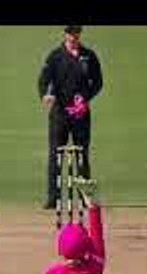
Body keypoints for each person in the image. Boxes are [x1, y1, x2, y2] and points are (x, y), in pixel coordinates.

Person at [37, 25, 104, 209]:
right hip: (59, 113)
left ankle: (85, 197)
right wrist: (45, 95)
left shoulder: (88, 56)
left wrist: (85, 99)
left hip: (81, 114)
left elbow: (98, 82)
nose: (73, 36)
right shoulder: (55, 56)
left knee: (82, 154)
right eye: (70, 33)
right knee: (55, 154)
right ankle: (53, 198)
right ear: (65, 34)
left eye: (76, 33)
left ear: (80, 34)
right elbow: (44, 79)